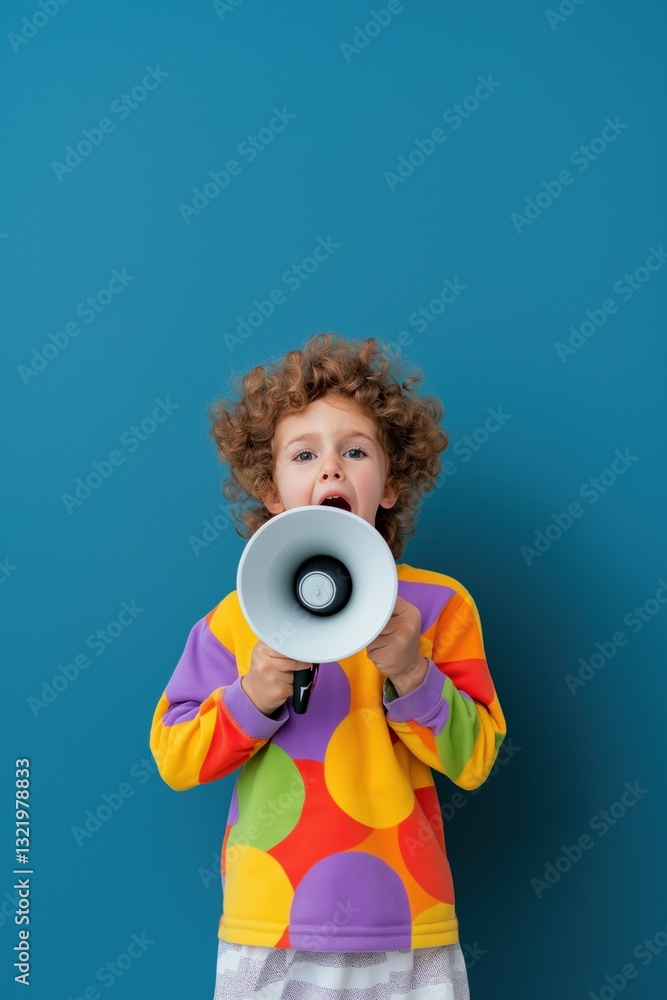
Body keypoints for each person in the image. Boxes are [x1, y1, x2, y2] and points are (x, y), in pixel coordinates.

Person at [149, 332, 507, 999]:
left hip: (408, 923)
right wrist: (254, 692)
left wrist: (413, 674)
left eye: (355, 451)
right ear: (272, 490)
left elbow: (477, 757)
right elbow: (175, 755)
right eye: (304, 453)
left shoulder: (437, 607)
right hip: (270, 927)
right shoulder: (234, 618)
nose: (331, 469)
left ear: (392, 483)